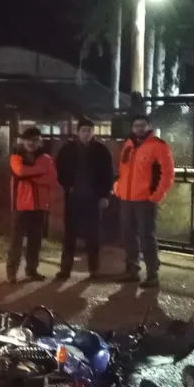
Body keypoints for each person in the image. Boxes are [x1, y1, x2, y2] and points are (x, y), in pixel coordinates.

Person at [114, 114, 175, 288]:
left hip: (145, 201)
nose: (139, 128)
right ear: (132, 128)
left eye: (142, 125)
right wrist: (118, 188)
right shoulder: (128, 145)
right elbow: (123, 171)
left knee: (147, 237)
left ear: (148, 126)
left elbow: (168, 173)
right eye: (136, 125)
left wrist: (156, 196)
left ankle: (152, 274)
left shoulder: (158, 146)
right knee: (128, 236)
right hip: (126, 199)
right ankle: (132, 270)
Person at [55, 118, 114, 280]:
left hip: (93, 199)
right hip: (73, 197)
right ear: (78, 132)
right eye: (83, 130)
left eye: (89, 130)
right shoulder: (68, 149)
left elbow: (108, 174)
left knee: (93, 235)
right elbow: (58, 170)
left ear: (93, 132)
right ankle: (65, 269)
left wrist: (104, 195)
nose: (86, 133)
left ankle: (93, 269)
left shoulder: (101, 150)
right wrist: (68, 186)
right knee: (69, 234)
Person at [6, 127, 57, 284]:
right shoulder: (16, 157)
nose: (32, 143)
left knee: (35, 240)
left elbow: (51, 179)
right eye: (29, 140)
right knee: (16, 241)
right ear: (23, 141)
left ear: (39, 141)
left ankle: (32, 270)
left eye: (35, 140)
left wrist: (33, 177)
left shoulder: (46, 159)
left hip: (39, 205)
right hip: (21, 205)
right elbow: (20, 171)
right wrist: (39, 172)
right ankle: (12, 272)